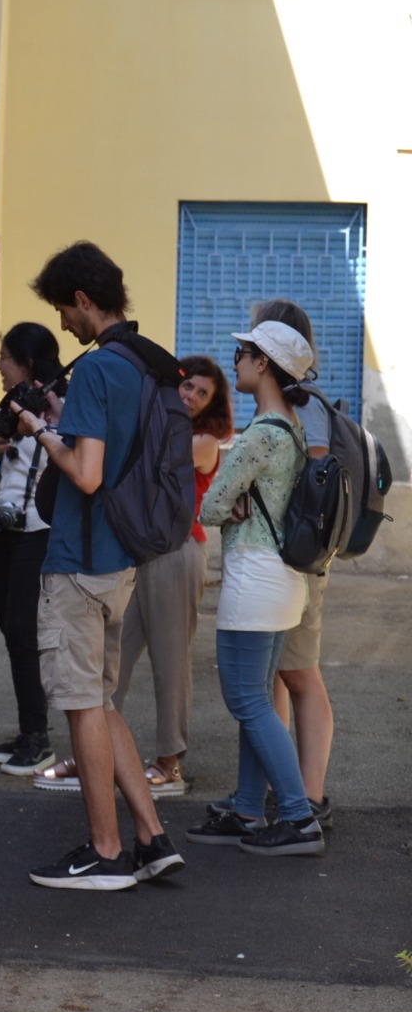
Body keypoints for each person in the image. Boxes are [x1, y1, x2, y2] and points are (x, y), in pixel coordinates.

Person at [14, 241, 183, 890]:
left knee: (82, 705)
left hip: (79, 564)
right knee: (104, 702)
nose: (61, 324)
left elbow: (85, 474)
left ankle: (106, 852)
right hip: (121, 561)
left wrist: (40, 432)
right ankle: (150, 835)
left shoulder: (97, 371)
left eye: (62, 309)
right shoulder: (147, 365)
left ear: (83, 301)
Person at [187, 320, 325, 857]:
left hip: (254, 578)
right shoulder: (290, 428)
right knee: (257, 701)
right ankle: (248, 808)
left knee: (247, 700)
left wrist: (230, 503)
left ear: (263, 363)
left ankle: (297, 817)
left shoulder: (262, 434)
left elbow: (211, 504)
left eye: (243, 352)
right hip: (282, 581)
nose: (237, 361)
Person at [110, 354, 234, 795]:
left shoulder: (203, 440)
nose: (192, 397)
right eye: (187, 386)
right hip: (144, 552)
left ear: (212, 405)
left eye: (203, 394)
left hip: (179, 553)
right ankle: (97, 749)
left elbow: (150, 452)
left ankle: (170, 761)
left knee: (171, 659)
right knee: (114, 654)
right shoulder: (162, 419)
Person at [247, 299, 335, 827]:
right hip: (283, 558)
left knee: (300, 674)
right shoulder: (284, 401)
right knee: (277, 678)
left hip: (302, 560)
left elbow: (313, 486)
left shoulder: (308, 407)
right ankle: (288, 791)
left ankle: (310, 798)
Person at [0, 323, 64, 777]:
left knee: (23, 630)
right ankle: (27, 729)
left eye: (4, 356)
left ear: (27, 363)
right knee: (12, 633)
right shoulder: (6, 407)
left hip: (37, 530)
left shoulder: (60, 407)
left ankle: (38, 737)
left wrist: (47, 424)